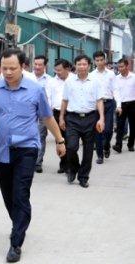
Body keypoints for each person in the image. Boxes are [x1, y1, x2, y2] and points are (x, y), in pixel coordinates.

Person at [0, 48, 66, 263]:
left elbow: (47, 118)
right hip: (2, 150)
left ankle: (16, 242)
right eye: (4, 68)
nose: (8, 72)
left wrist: (59, 140)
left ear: (23, 67)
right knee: (8, 194)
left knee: (20, 193)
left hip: (27, 149)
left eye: (13, 68)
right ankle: (19, 221)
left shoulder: (36, 90)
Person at [59, 54, 105, 188]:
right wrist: (61, 117)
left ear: (89, 66)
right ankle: (73, 169)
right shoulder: (69, 81)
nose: (82, 67)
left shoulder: (95, 82)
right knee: (71, 147)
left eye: (84, 64)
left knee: (88, 151)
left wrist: (101, 118)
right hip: (72, 118)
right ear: (75, 66)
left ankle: (83, 177)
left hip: (91, 118)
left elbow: (99, 101)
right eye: (79, 64)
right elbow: (65, 100)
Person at [89, 51, 117, 164]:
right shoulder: (91, 75)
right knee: (98, 130)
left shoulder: (111, 74)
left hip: (109, 103)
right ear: (94, 61)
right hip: (96, 105)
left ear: (105, 60)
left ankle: (106, 146)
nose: (100, 62)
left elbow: (115, 90)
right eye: (97, 60)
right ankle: (100, 155)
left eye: (101, 60)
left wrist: (118, 104)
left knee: (108, 130)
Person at [48, 59, 75, 173]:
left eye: (60, 70)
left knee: (70, 140)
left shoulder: (74, 79)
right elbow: (48, 96)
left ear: (67, 69)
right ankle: (63, 163)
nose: (57, 72)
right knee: (60, 139)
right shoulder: (52, 81)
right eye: (56, 70)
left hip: (72, 113)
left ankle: (70, 164)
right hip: (57, 113)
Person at [32, 55, 53, 173]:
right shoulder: (28, 77)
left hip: (42, 113)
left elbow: (49, 97)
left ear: (45, 66)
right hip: (29, 112)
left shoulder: (50, 80)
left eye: (40, 65)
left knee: (40, 136)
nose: (37, 67)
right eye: (35, 64)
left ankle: (38, 162)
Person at [112, 58, 135, 153]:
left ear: (127, 66)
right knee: (120, 126)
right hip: (121, 105)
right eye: (118, 67)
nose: (120, 69)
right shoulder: (116, 79)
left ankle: (130, 144)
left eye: (122, 66)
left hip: (133, 104)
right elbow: (116, 92)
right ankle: (118, 145)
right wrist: (118, 105)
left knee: (133, 126)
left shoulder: (134, 77)